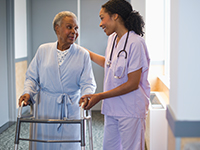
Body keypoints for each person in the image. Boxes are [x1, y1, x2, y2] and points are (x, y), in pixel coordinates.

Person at [19, 11, 96, 150]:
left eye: (76, 28)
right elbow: (32, 77)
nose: (74, 31)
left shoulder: (83, 54)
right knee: (44, 143)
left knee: (69, 144)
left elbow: (88, 83)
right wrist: (28, 92)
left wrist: (86, 95)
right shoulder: (43, 50)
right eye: (69, 27)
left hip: (71, 107)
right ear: (57, 28)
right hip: (45, 107)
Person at [79, 0, 150, 150]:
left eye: (102, 18)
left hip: (130, 109)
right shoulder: (112, 39)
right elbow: (111, 64)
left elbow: (133, 83)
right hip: (112, 108)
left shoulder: (136, 43)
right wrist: (88, 54)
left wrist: (100, 96)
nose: (100, 24)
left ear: (115, 16)